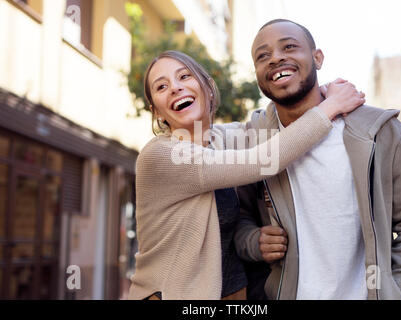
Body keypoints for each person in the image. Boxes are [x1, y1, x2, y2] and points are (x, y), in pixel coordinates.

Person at [127, 50, 365, 300]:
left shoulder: (220, 139)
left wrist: (315, 92)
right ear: (157, 112)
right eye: (162, 86)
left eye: (184, 76)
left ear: (208, 88)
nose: (175, 88)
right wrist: (330, 107)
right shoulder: (161, 155)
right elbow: (265, 159)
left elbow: (267, 126)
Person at [234, 19, 401, 300]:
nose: (276, 57)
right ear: (257, 73)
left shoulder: (379, 131)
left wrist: (400, 294)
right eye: (263, 55)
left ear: (317, 58)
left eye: (289, 46)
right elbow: (239, 220)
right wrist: (253, 241)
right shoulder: (252, 141)